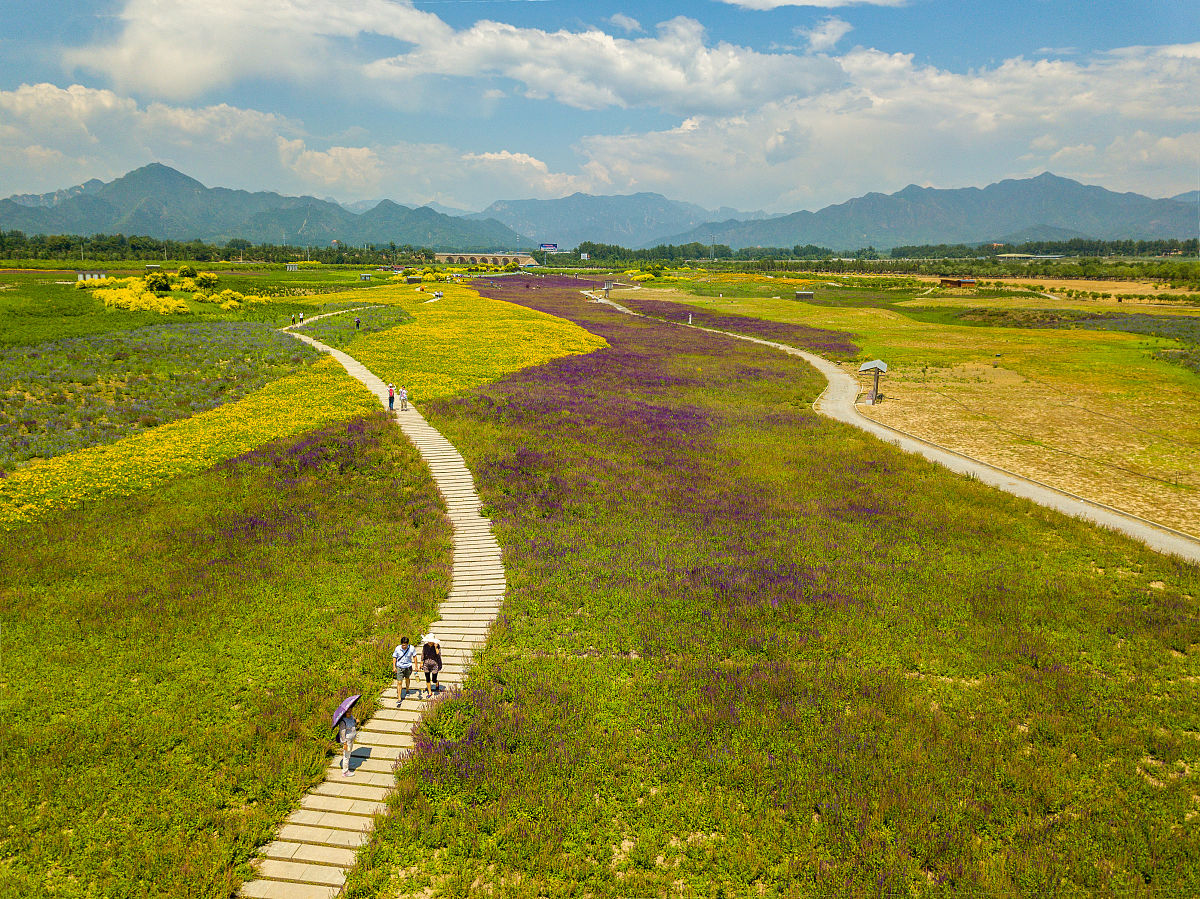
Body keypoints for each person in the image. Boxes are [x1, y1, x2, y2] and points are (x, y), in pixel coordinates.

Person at [392, 636, 415, 705]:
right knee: (399, 682)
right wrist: (394, 667)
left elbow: (415, 656)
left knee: (407, 678)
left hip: (408, 666)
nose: (404, 646)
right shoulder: (397, 648)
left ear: (408, 644)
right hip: (399, 667)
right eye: (403, 645)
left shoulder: (411, 648)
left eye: (405, 645)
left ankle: (407, 689)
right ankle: (399, 697)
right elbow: (394, 657)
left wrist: (416, 666)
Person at [335, 709, 357, 777]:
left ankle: (347, 765)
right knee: (346, 755)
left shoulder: (351, 717)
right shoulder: (343, 721)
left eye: (350, 711)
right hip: (347, 741)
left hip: (351, 739)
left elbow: (353, 724)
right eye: (347, 712)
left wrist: (356, 721)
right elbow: (342, 733)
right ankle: (345, 772)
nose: (349, 713)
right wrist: (344, 743)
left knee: (349, 753)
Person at [420, 633, 442, 698]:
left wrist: (435, 647)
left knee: (434, 679)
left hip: (435, 664)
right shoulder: (425, 646)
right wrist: (421, 662)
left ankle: (436, 683)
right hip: (426, 664)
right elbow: (423, 654)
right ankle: (430, 692)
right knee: (427, 678)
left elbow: (438, 654)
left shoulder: (437, 646)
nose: (430, 643)